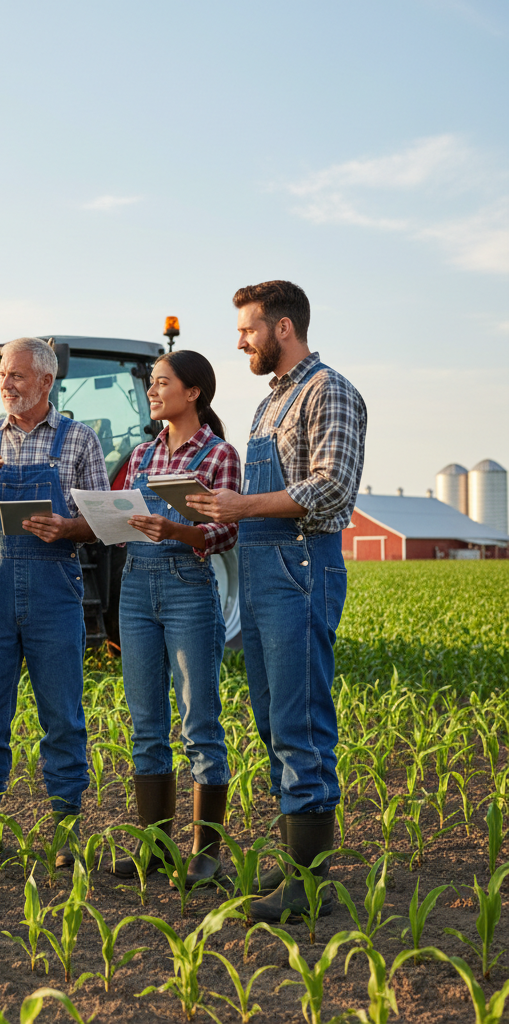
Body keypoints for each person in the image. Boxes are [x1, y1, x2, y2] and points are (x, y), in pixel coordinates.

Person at [186, 280, 366, 922]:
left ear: (283, 328)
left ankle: (309, 884)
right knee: (271, 720)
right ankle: (297, 858)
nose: (240, 341)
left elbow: (332, 487)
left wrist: (242, 505)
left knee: (302, 721)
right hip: (263, 568)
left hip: (301, 566)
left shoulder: (329, 392)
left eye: (248, 329)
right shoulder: (270, 404)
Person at [0, 337, 110, 865]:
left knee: (61, 714)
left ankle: (65, 832)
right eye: (2, 377)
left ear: (45, 381)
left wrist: (66, 526)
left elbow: (105, 523)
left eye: (15, 376)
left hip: (53, 587)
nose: (6, 384)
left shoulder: (79, 440)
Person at [108, 350, 240, 886]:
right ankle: (157, 849)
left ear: (194, 393)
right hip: (135, 584)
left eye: (163, 382)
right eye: (151, 382)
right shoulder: (141, 454)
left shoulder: (219, 455)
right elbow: (124, 515)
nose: (153, 390)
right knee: (145, 727)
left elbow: (227, 532)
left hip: (188, 584)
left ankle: (205, 853)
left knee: (199, 724)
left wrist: (179, 531)